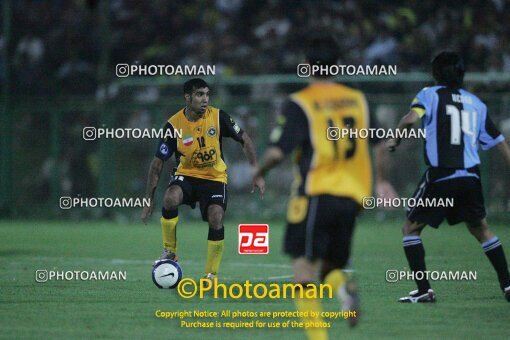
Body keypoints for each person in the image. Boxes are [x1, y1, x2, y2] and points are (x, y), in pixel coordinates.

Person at [253, 36, 396, 337]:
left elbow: (278, 152)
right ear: (337, 65)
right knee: (330, 267)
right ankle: (344, 291)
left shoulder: (301, 102)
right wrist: (382, 181)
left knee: (303, 273)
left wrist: (258, 170)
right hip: (352, 198)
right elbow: (383, 143)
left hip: (316, 193)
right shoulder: (358, 99)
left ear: (305, 66)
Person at [387, 51, 510, 303]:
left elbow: (410, 118)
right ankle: (508, 285)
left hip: (442, 175)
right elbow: (499, 142)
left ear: (435, 74)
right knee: (481, 229)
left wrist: (395, 137)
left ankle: (424, 291)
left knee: (410, 228)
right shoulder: (477, 103)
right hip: (471, 178)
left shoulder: (429, 95)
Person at [142, 78, 265, 283]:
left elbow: (245, 140)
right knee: (170, 198)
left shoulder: (218, 117)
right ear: (187, 97)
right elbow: (157, 164)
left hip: (215, 178)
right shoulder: (173, 125)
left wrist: (257, 172)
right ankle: (170, 251)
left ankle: (210, 275)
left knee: (216, 216)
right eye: (200, 94)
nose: (205, 99)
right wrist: (149, 200)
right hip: (187, 175)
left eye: (207, 94)